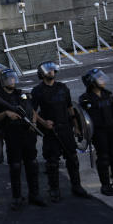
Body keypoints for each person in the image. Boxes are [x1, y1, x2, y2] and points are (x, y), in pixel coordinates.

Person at [0, 69, 47, 211]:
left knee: (32, 165)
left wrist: (33, 122)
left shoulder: (21, 93)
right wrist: (6, 113)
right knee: (15, 167)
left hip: (27, 133)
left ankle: (34, 194)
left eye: (13, 79)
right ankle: (17, 197)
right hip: (12, 135)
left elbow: (32, 109)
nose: (12, 81)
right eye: (9, 79)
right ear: (3, 81)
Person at [32, 62, 88, 202]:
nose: (52, 72)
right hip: (51, 131)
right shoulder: (38, 90)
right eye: (48, 71)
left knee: (73, 159)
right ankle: (54, 190)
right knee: (52, 162)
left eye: (53, 70)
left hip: (66, 129)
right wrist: (43, 122)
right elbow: (32, 111)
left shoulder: (63, 88)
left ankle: (76, 186)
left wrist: (76, 126)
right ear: (42, 73)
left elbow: (70, 108)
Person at [79, 69, 113, 195]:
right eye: (99, 79)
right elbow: (83, 119)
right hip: (99, 132)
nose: (103, 81)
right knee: (103, 158)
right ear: (92, 82)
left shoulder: (108, 94)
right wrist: (85, 135)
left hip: (112, 129)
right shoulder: (85, 99)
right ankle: (105, 185)